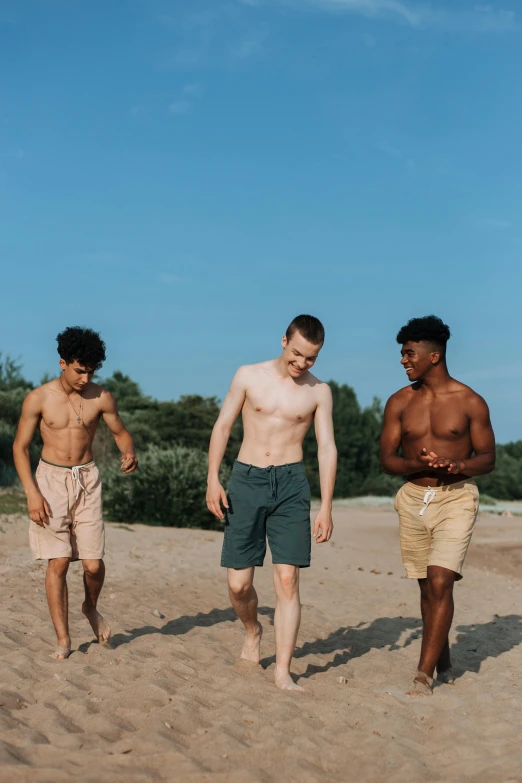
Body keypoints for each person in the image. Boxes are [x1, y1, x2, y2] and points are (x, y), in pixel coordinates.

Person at [206, 315, 337, 691]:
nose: (301, 364)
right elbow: (223, 426)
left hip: (292, 484)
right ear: (283, 340)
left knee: (287, 578)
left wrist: (326, 504)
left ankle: (283, 670)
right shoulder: (248, 375)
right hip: (246, 479)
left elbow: (326, 448)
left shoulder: (319, 391)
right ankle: (252, 630)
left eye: (310, 358)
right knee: (238, 585)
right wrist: (213, 478)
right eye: (297, 354)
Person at [380, 315, 495, 696]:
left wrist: (459, 465)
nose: (403, 360)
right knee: (427, 589)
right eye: (402, 353)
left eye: (409, 353)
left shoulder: (470, 401)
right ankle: (443, 661)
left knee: (442, 581)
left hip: (457, 497)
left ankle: (422, 674)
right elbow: (388, 459)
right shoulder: (399, 401)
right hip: (413, 499)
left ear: (434, 355)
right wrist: (418, 465)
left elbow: (489, 457)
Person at [13, 327, 138, 659]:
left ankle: (90, 607)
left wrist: (129, 453)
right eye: (79, 370)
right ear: (62, 363)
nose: (85, 377)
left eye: (91, 371)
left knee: (94, 565)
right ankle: (63, 638)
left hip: (88, 480)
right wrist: (32, 493)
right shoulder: (38, 398)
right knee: (59, 562)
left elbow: (121, 433)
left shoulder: (101, 397)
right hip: (50, 481)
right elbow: (20, 447)